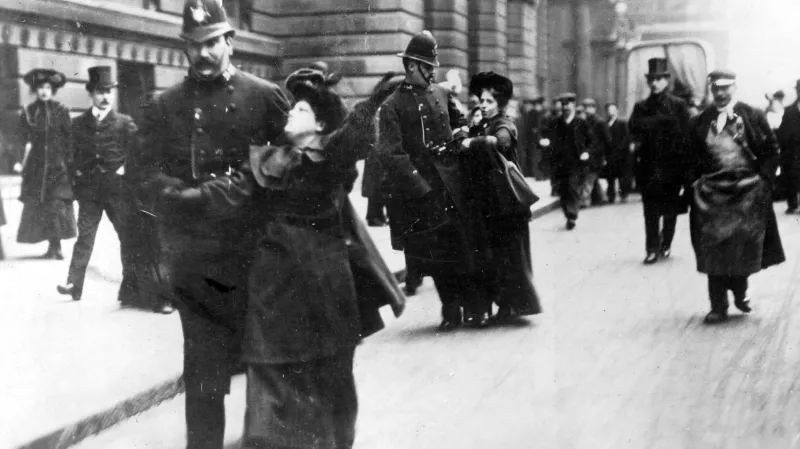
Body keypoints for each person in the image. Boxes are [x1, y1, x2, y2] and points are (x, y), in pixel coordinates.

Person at [128, 1, 290, 447]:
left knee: (267, 375)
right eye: (194, 45)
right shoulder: (165, 105)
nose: (202, 53)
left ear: (230, 41)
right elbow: (140, 173)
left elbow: (289, 168)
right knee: (204, 377)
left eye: (211, 43)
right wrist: (175, 195)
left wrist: (227, 191)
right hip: (196, 265)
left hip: (256, 262)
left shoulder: (264, 96)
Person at [240, 67, 405, 449]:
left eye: (301, 109)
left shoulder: (328, 159)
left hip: (323, 286)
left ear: (319, 124)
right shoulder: (272, 158)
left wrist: (370, 106)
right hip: (274, 284)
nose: (291, 113)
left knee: (330, 375)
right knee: (269, 370)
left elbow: (349, 141)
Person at [379, 30, 479, 331]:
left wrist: (461, 135)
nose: (433, 72)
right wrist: (420, 187)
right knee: (437, 255)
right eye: (427, 67)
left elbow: (460, 121)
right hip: (422, 193)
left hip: (452, 184)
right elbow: (392, 154)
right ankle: (450, 307)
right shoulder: (392, 106)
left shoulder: (441, 94)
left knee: (463, 247)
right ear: (412, 66)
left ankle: (469, 303)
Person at [685, 70, 785, 324]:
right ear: (710, 89)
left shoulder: (753, 116)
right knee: (713, 247)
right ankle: (718, 306)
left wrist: (764, 182)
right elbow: (688, 157)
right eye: (716, 88)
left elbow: (772, 150)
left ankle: (740, 291)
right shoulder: (699, 122)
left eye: (725, 88)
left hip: (747, 192)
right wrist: (694, 184)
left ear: (734, 87)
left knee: (742, 246)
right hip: (711, 194)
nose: (720, 93)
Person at [55, 66, 141, 306]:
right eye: (100, 92)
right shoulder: (78, 123)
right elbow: (69, 155)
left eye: (108, 92)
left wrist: (125, 170)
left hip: (117, 190)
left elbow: (137, 152)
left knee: (127, 236)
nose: (105, 97)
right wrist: (77, 178)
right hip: (90, 191)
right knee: (85, 237)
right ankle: (73, 284)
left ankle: (131, 287)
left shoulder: (124, 122)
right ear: (91, 94)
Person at [462, 71, 542, 324]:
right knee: (496, 256)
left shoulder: (504, 123)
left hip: (506, 203)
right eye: (482, 101)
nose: (483, 106)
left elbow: (502, 141)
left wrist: (473, 142)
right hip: (491, 202)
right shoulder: (484, 124)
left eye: (489, 102)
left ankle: (511, 305)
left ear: (500, 104)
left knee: (509, 257)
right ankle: (504, 305)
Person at [629, 58, 690, 265]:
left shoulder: (678, 105)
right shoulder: (641, 106)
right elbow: (633, 129)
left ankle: (666, 243)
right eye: (651, 79)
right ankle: (651, 249)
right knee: (650, 211)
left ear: (666, 80)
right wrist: (661, 123)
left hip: (673, 167)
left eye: (658, 79)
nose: (654, 83)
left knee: (670, 210)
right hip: (648, 166)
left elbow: (685, 136)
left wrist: (685, 170)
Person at [15, 69, 76, 259]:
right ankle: (51, 246)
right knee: (41, 206)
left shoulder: (61, 110)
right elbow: (20, 139)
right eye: (40, 87)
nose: (44, 91)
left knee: (56, 205)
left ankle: (56, 247)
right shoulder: (28, 111)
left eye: (48, 87)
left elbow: (70, 140)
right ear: (35, 90)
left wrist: (72, 164)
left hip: (58, 166)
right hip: (36, 167)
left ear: (53, 90)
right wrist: (18, 160)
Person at [541, 93, 593, 230]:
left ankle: (572, 214)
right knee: (563, 189)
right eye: (563, 105)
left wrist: (586, 152)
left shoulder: (581, 123)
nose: (565, 108)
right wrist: (545, 143)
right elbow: (544, 135)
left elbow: (591, 140)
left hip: (576, 162)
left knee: (572, 186)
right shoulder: (554, 123)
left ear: (574, 105)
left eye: (568, 104)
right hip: (559, 162)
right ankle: (568, 213)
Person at [580, 98, 611, 207]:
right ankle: (602, 197)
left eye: (589, 108)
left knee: (590, 177)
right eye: (585, 108)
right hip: (587, 154)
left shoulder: (600, 122)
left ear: (594, 108)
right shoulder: (584, 121)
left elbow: (607, 140)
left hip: (597, 155)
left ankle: (584, 200)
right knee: (592, 177)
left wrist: (605, 156)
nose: (586, 110)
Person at [777, 81, 800, 213]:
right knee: (791, 175)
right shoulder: (790, 110)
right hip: (793, 149)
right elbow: (783, 130)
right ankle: (792, 204)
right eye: (799, 89)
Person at [604, 102, 632, 203]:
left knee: (622, 175)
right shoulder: (605, 124)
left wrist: (620, 148)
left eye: (612, 109)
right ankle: (611, 195)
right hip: (609, 153)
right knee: (610, 176)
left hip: (621, 153)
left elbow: (627, 137)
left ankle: (623, 194)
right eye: (609, 110)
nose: (610, 112)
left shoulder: (622, 123)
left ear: (617, 111)